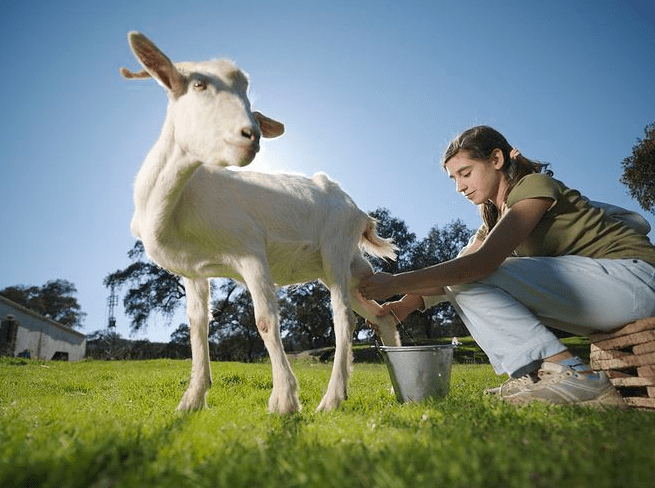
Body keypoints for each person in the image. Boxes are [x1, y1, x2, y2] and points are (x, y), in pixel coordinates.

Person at [358, 125, 655, 407]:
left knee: (475, 271)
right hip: (604, 297)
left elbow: (479, 266)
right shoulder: (493, 222)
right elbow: (460, 273)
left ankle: (569, 372)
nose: (460, 187)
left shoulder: (534, 187)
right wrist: (406, 305)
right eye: (454, 179)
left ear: (496, 159)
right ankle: (535, 374)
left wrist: (395, 281)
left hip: (636, 280)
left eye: (466, 173)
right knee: (465, 274)